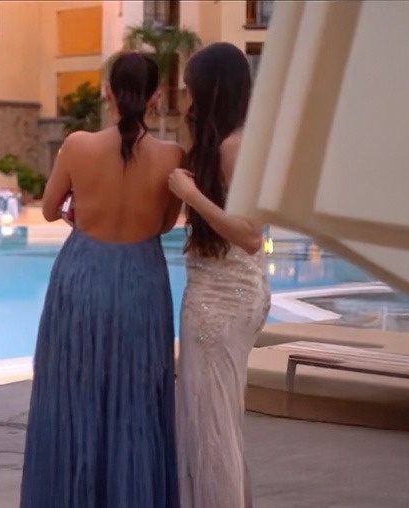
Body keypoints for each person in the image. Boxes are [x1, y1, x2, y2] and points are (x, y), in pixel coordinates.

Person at [20, 52, 184, 507]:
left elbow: (51, 209)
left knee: (74, 391)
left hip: (83, 274)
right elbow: (164, 224)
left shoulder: (77, 145)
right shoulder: (172, 155)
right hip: (142, 280)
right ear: (155, 97)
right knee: (136, 395)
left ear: (108, 92)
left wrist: (81, 212)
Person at [168, 42, 271, 508]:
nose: (186, 100)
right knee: (213, 420)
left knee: (210, 424)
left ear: (211, 91)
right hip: (219, 292)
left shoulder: (237, 145)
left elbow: (250, 234)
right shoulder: (224, 143)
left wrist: (190, 193)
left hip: (222, 301)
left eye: (191, 90)